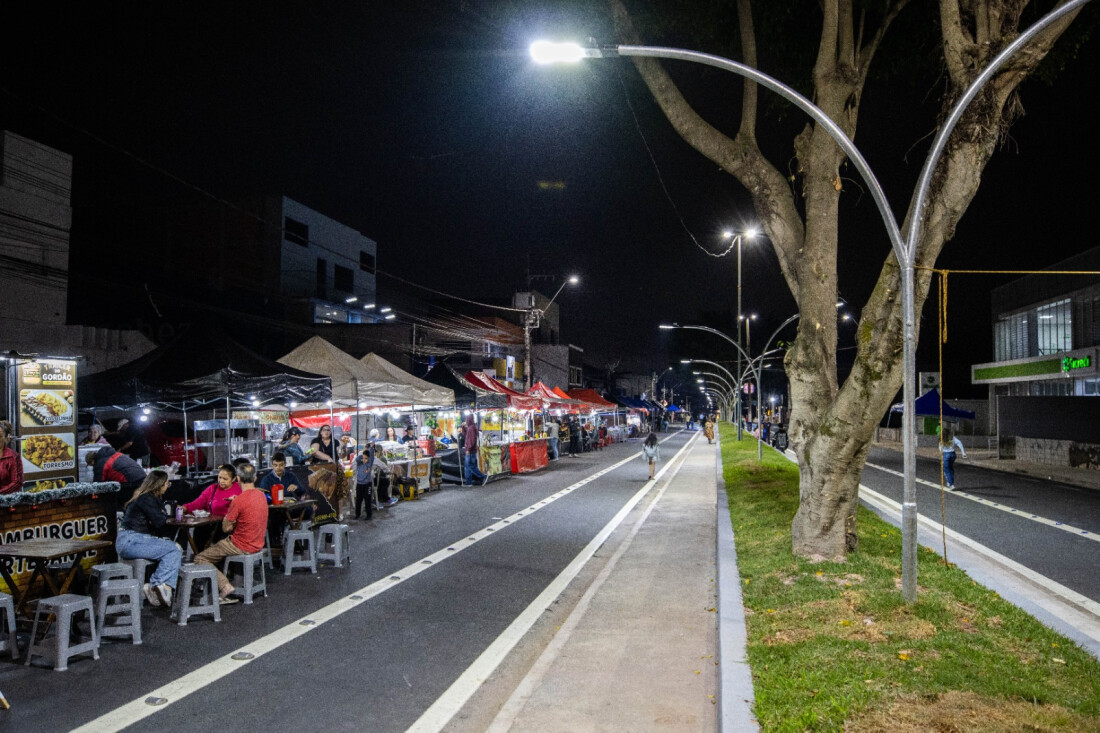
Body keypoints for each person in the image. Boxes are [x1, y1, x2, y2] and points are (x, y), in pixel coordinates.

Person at [193, 463, 269, 604]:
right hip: (258, 543)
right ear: (255, 478)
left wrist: (232, 509)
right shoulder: (261, 495)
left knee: (200, 558)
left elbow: (226, 528)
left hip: (240, 545)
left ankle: (224, 586)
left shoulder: (238, 501)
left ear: (237, 479)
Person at [115, 470, 181, 608]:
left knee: (171, 547)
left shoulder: (143, 496)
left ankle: (160, 587)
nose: (167, 487)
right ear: (159, 485)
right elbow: (160, 521)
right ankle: (157, 585)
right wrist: (164, 513)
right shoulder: (147, 499)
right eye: (167, 484)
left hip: (129, 541)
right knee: (174, 549)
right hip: (132, 541)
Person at [354, 430, 378, 519]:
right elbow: (357, 458)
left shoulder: (369, 464)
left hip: (367, 484)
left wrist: (371, 448)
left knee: (367, 500)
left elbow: (371, 457)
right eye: (363, 458)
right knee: (358, 500)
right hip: (359, 484)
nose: (364, 460)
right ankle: (357, 514)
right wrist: (363, 453)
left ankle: (369, 515)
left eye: (366, 458)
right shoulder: (360, 463)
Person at [460, 415, 488, 486]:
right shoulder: (471, 427)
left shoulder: (471, 428)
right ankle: (471, 481)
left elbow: (472, 440)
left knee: (469, 466)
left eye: (466, 419)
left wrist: (468, 449)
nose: (466, 421)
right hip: (472, 450)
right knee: (471, 466)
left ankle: (481, 477)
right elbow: (465, 435)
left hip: (470, 451)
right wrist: (463, 427)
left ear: (468, 420)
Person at [0, 421, 24, 495]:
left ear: (6, 437)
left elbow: (17, 483)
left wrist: (1, 493)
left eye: (0, 436)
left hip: (6, 498)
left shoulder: (13, 457)